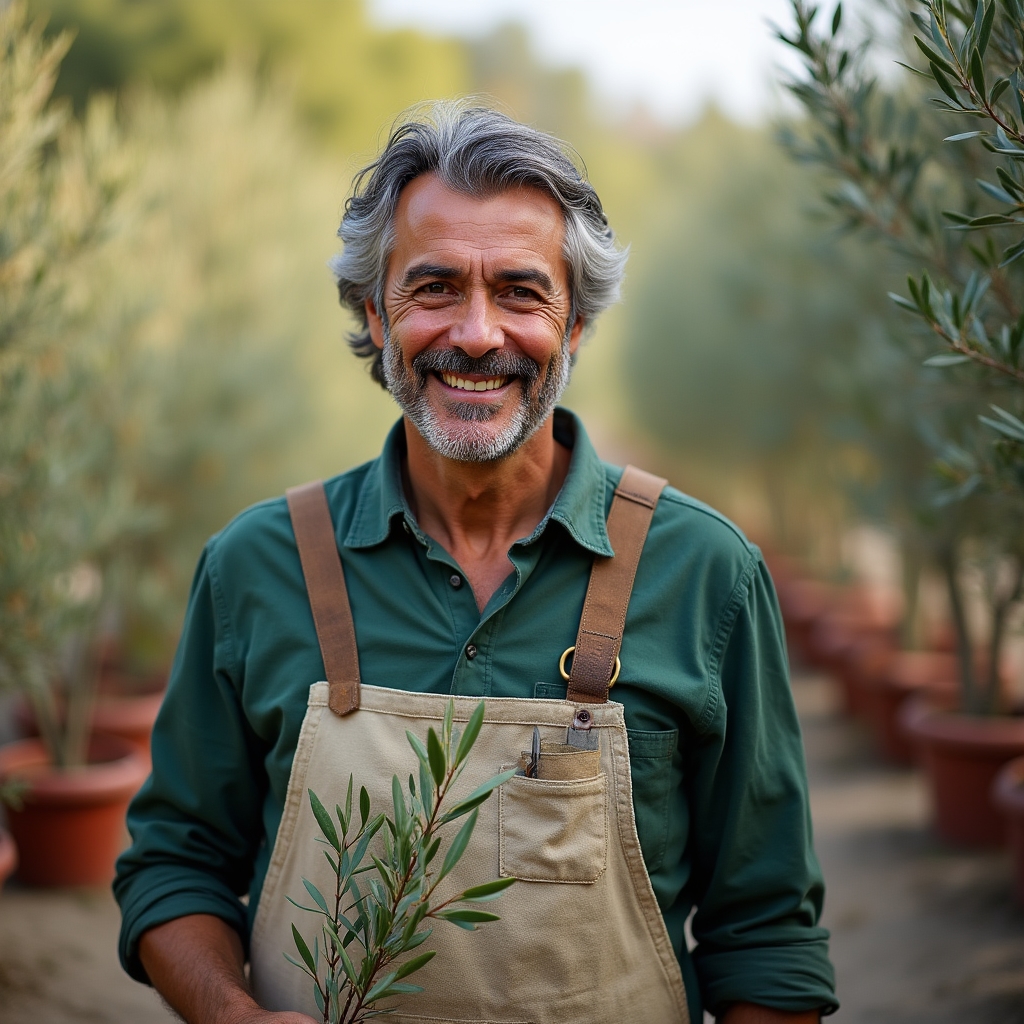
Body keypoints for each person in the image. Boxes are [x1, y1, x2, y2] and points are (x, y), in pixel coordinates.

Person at [115, 102, 837, 1024]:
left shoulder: (705, 572)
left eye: (523, 293)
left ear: (575, 327)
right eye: (435, 287)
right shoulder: (256, 566)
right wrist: (230, 1014)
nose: (479, 333)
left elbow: (768, 937)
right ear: (376, 316)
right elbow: (174, 863)